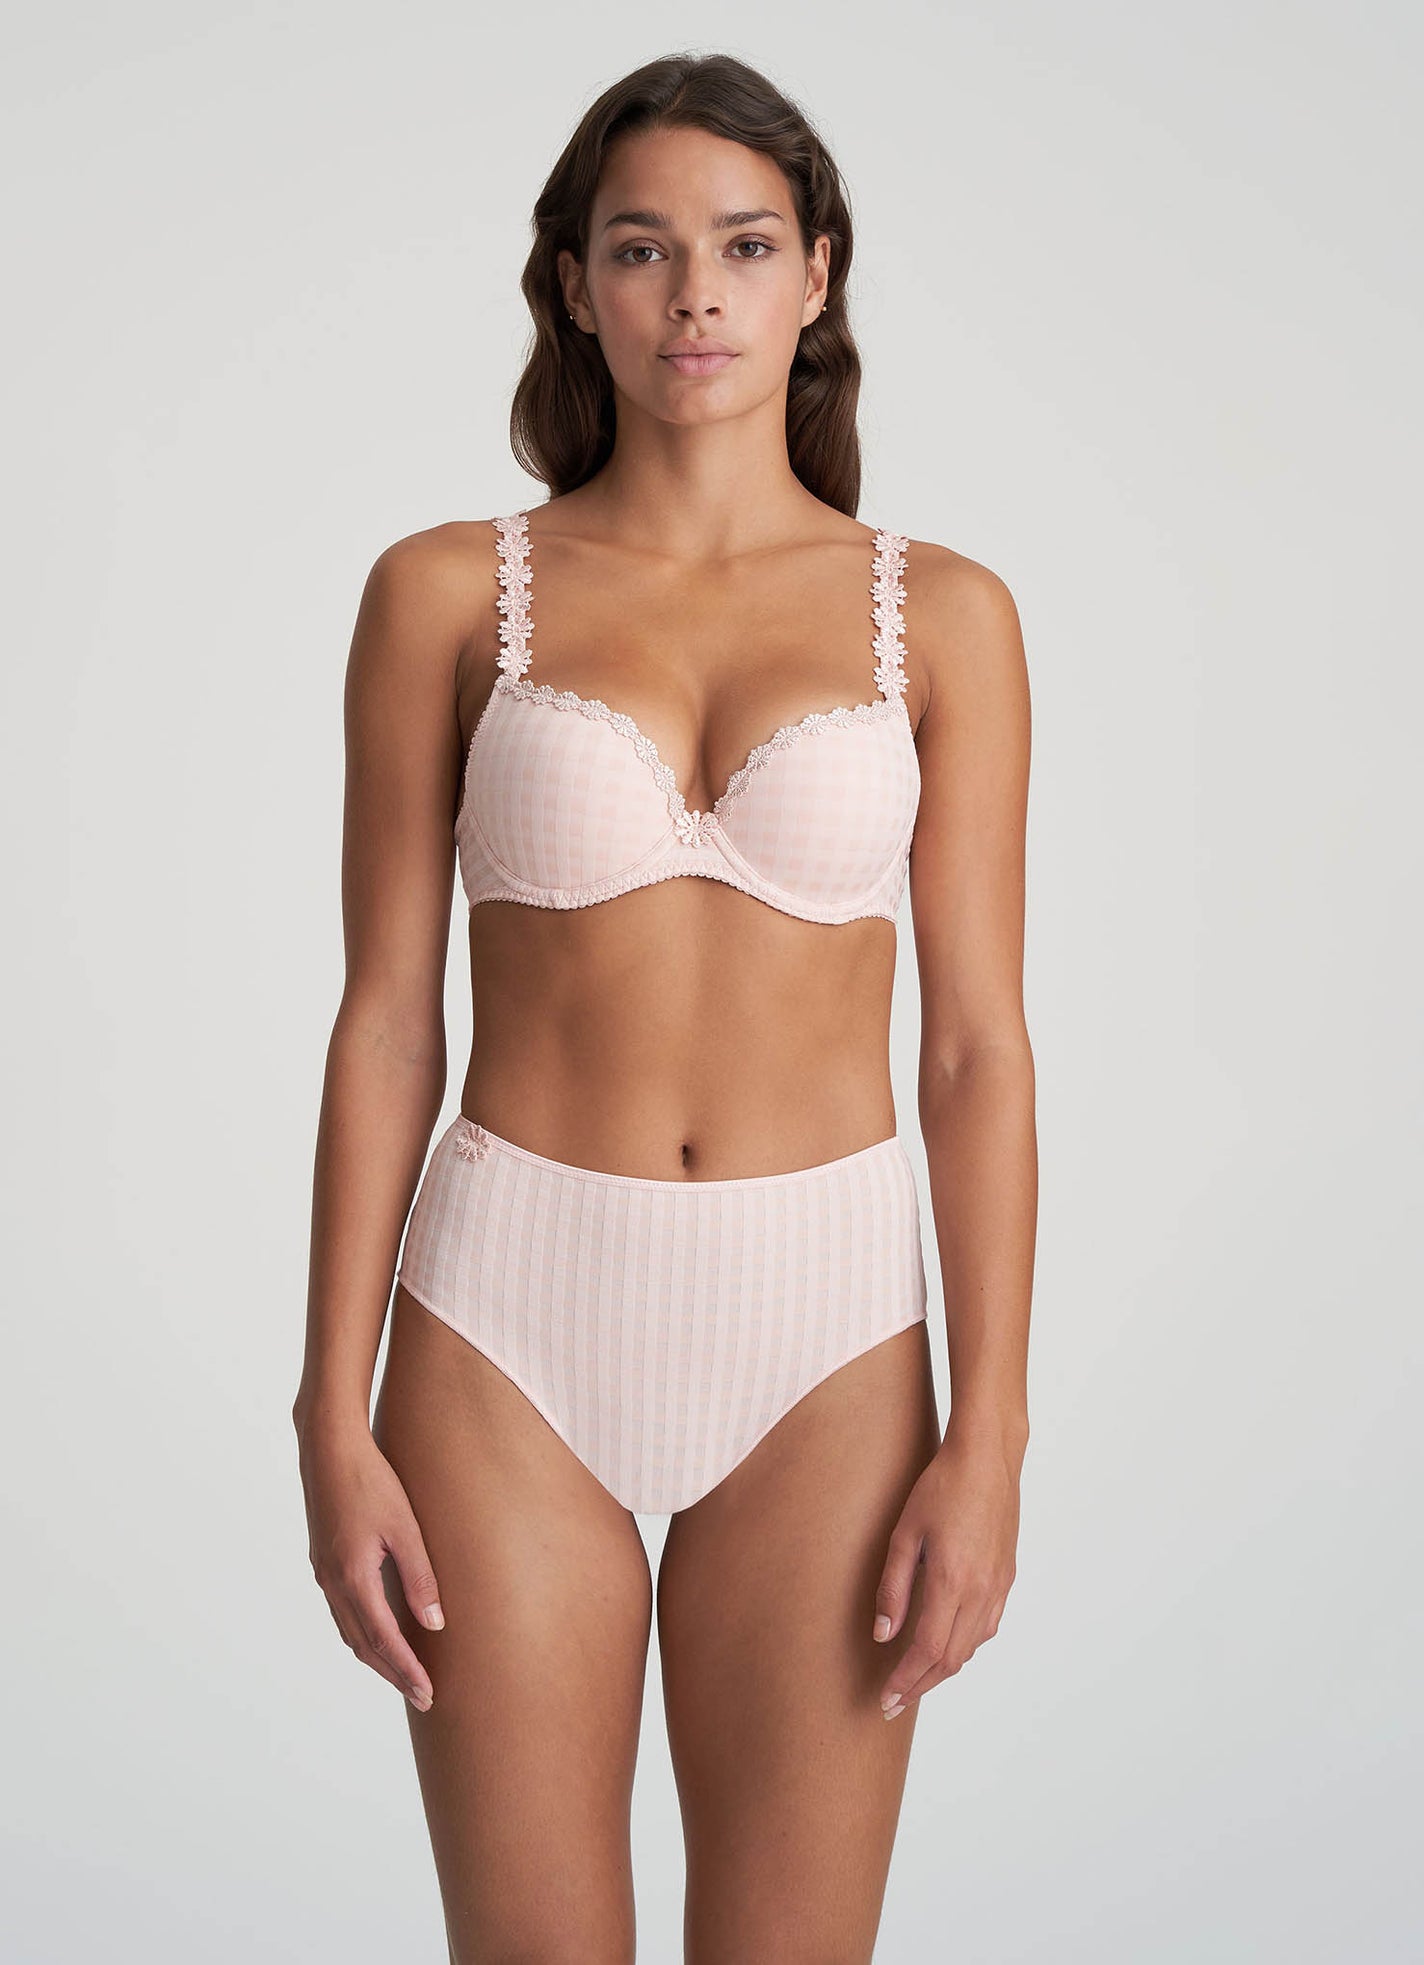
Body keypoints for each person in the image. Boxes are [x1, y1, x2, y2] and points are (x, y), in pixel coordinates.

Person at [292, 50, 1036, 1965]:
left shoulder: (945, 615)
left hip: (829, 1340)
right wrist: (326, 1409)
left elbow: (975, 1050)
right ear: (574, 285)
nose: (693, 294)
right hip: (502, 1329)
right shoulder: (443, 594)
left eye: (742, 245)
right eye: (639, 248)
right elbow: (385, 1021)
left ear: (816, 274)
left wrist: (993, 1432)